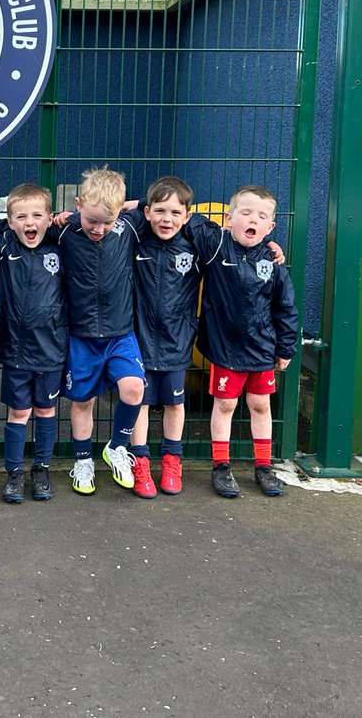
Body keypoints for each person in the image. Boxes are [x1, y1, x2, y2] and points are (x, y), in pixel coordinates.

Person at [183, 185, 299, 497]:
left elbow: (286, 307)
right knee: (225, 404)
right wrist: (139, 203)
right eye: (245, 213)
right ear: (229, 218)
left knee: (260, 405)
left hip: (261, 348)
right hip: (225, 349)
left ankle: (264, 467)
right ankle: (221, 467)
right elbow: (185, 216)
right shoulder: (216, 245)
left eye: (261, 216)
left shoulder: (272, 261)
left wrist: (286, 347)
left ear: (270, 227)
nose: (253, 220)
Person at [54, 167, 146, 496]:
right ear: (78, 205)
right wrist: (59, 218)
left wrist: (127, 205)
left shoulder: (128, 227)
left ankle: (117, 446)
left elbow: (156, 201)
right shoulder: (64, 232)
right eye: (92, 220)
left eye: (107, 221)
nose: (98, 228)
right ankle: (83, 460)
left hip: (121, 333)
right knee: (83, 401)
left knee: (134, 387)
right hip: (81, 335)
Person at [121, 176, 201, 498]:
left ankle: (171, 461)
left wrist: (271, 248)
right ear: (148, 212)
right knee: (140, 403)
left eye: (175, 213)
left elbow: (226, 237)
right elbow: (113, 218)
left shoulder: (194, 245)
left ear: (187, 216)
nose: (167, 219)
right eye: (159, 211)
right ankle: (139, 462)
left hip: (176, 341)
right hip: (139, 339)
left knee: (174, 403)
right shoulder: (137, 240)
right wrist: (140, 204)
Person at [0, 183, 66, 503]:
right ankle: (14, 473)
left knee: (46, 410)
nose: (29, 222)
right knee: (18, 412)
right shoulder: (3, 246)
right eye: (21, 217)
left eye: (37, 215)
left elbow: (90, 224)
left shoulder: (61, 245)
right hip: (15, 350)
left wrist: (68, 219)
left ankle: (41, 469)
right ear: (10, 221)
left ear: (50, 218)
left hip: (51, 348)